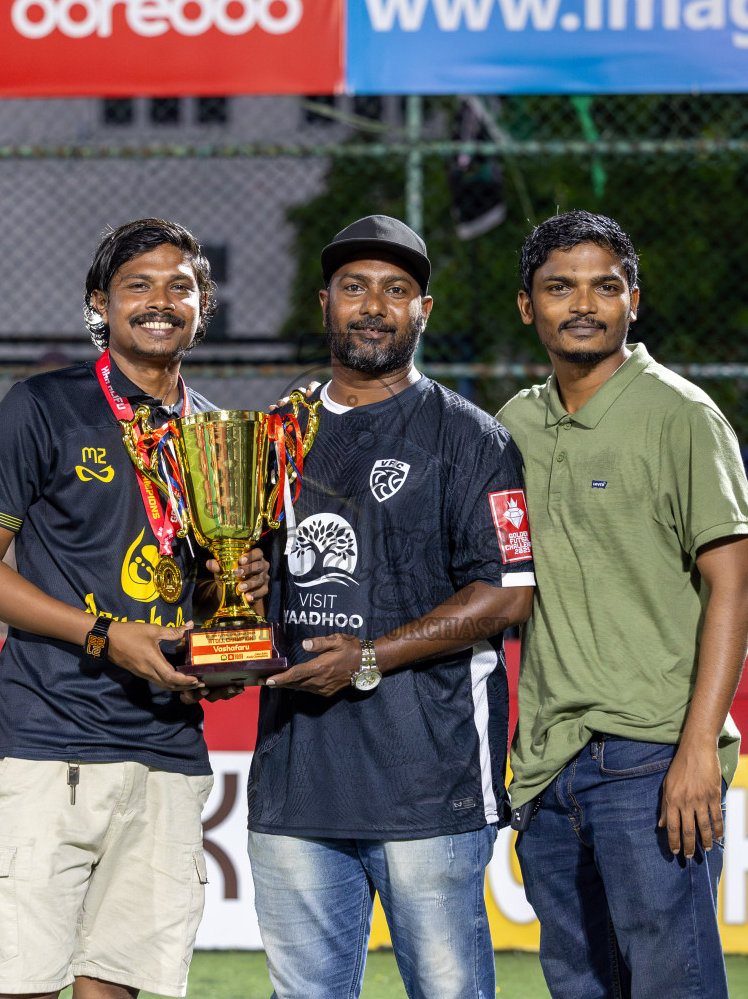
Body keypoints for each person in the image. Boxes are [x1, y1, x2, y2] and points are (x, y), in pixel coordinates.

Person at [0, 218, 269, 999]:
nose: (161, 301)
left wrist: (231, 599)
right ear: (101, 304)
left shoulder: (215, 435)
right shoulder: (45, 408)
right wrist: (103, 634)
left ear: (204, 306)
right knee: (20, 987)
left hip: (164, 748)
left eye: (180, 286)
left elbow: (181, 591)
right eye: (138, 285)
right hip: (49, 742)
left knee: (115, 991)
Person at [244, 214, 535, 999]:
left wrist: (368, 658)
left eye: (395, 290)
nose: (373, 305)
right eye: (354, 287)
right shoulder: (274, 436)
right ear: (325, 302)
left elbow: (508, 595)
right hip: (295, 781)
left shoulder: (471, 438)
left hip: (427, 783)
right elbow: (249, 578)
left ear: (422, 311)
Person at [496, 211, 748, 999]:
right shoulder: (511, 425)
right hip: (546, 769)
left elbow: (737, 586)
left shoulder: (680, 414)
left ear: (631, 300)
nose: (583, 303)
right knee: (579, 988)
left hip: (651, 758)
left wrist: (694, 753)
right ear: (525, 306)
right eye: (559, 287)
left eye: (603, 286)